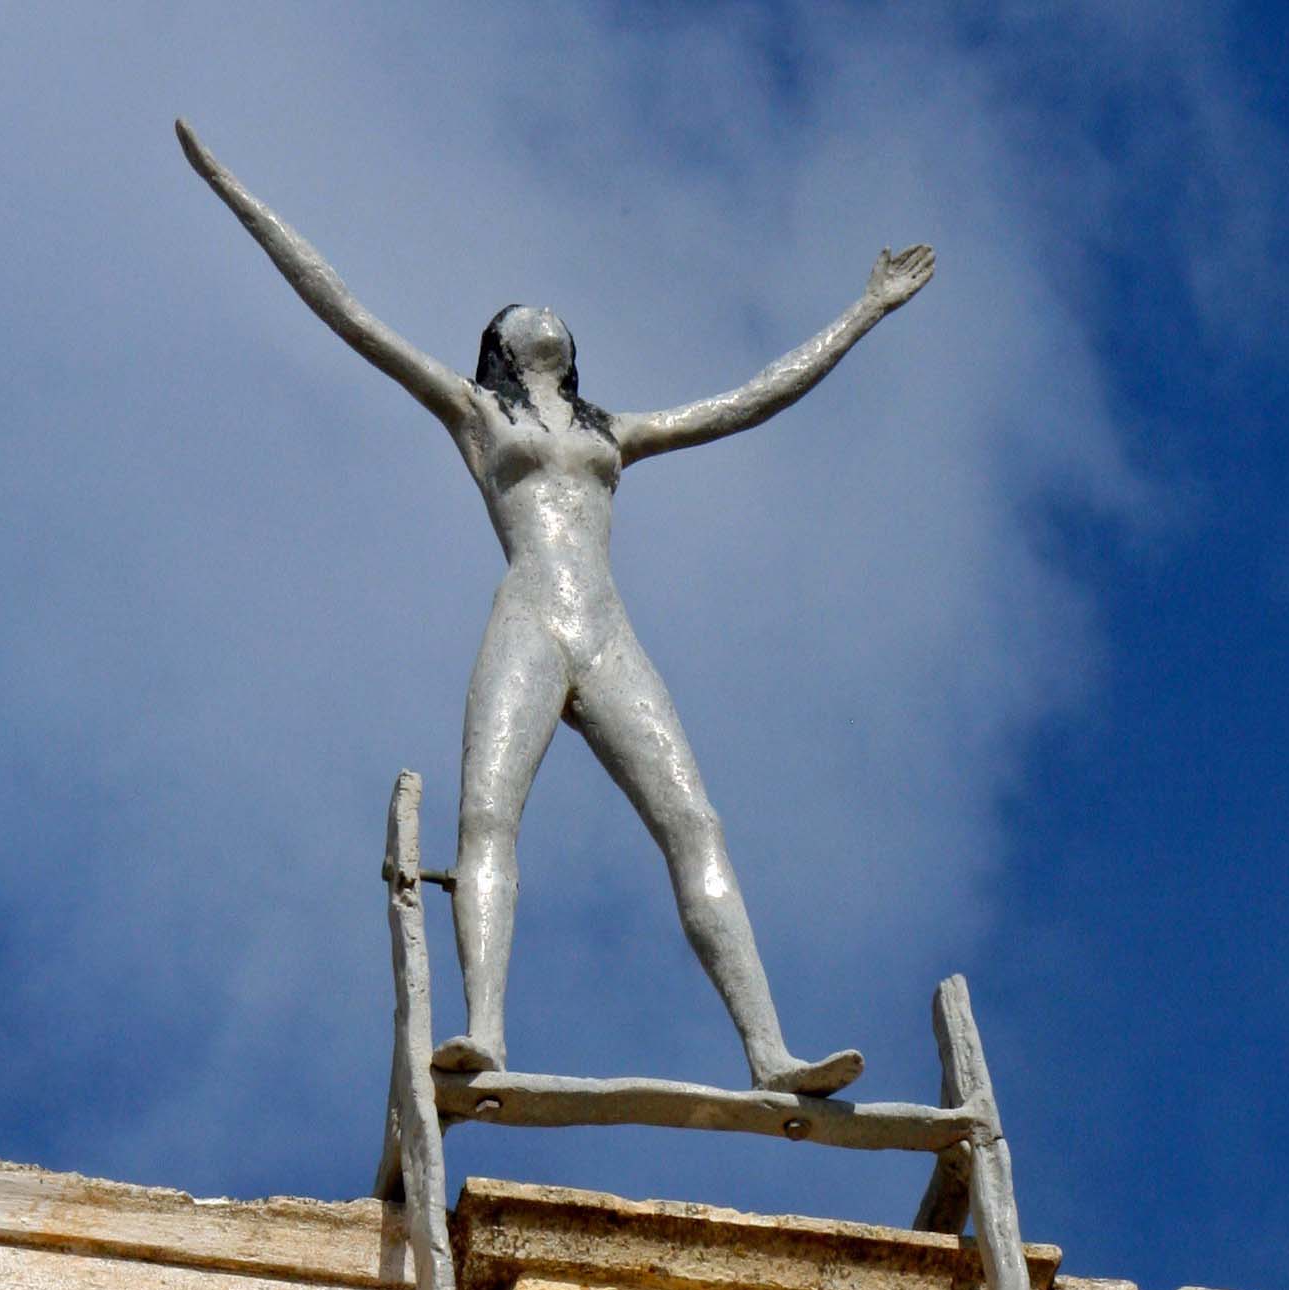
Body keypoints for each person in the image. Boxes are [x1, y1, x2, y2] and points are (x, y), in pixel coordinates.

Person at [177, 121, 932, 1096]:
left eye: (553, 311)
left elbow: (752, 398)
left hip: (606, 630)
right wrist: (235, 192)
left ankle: (769, 1051)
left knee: (694, 823)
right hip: (531, 614)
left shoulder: (615, 430)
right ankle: (486, 1031)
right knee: (488, 817)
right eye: (519, 311)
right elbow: (347, 311)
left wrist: (864, 311)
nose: (542, 309)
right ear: (499, 346)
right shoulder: (476, 412)